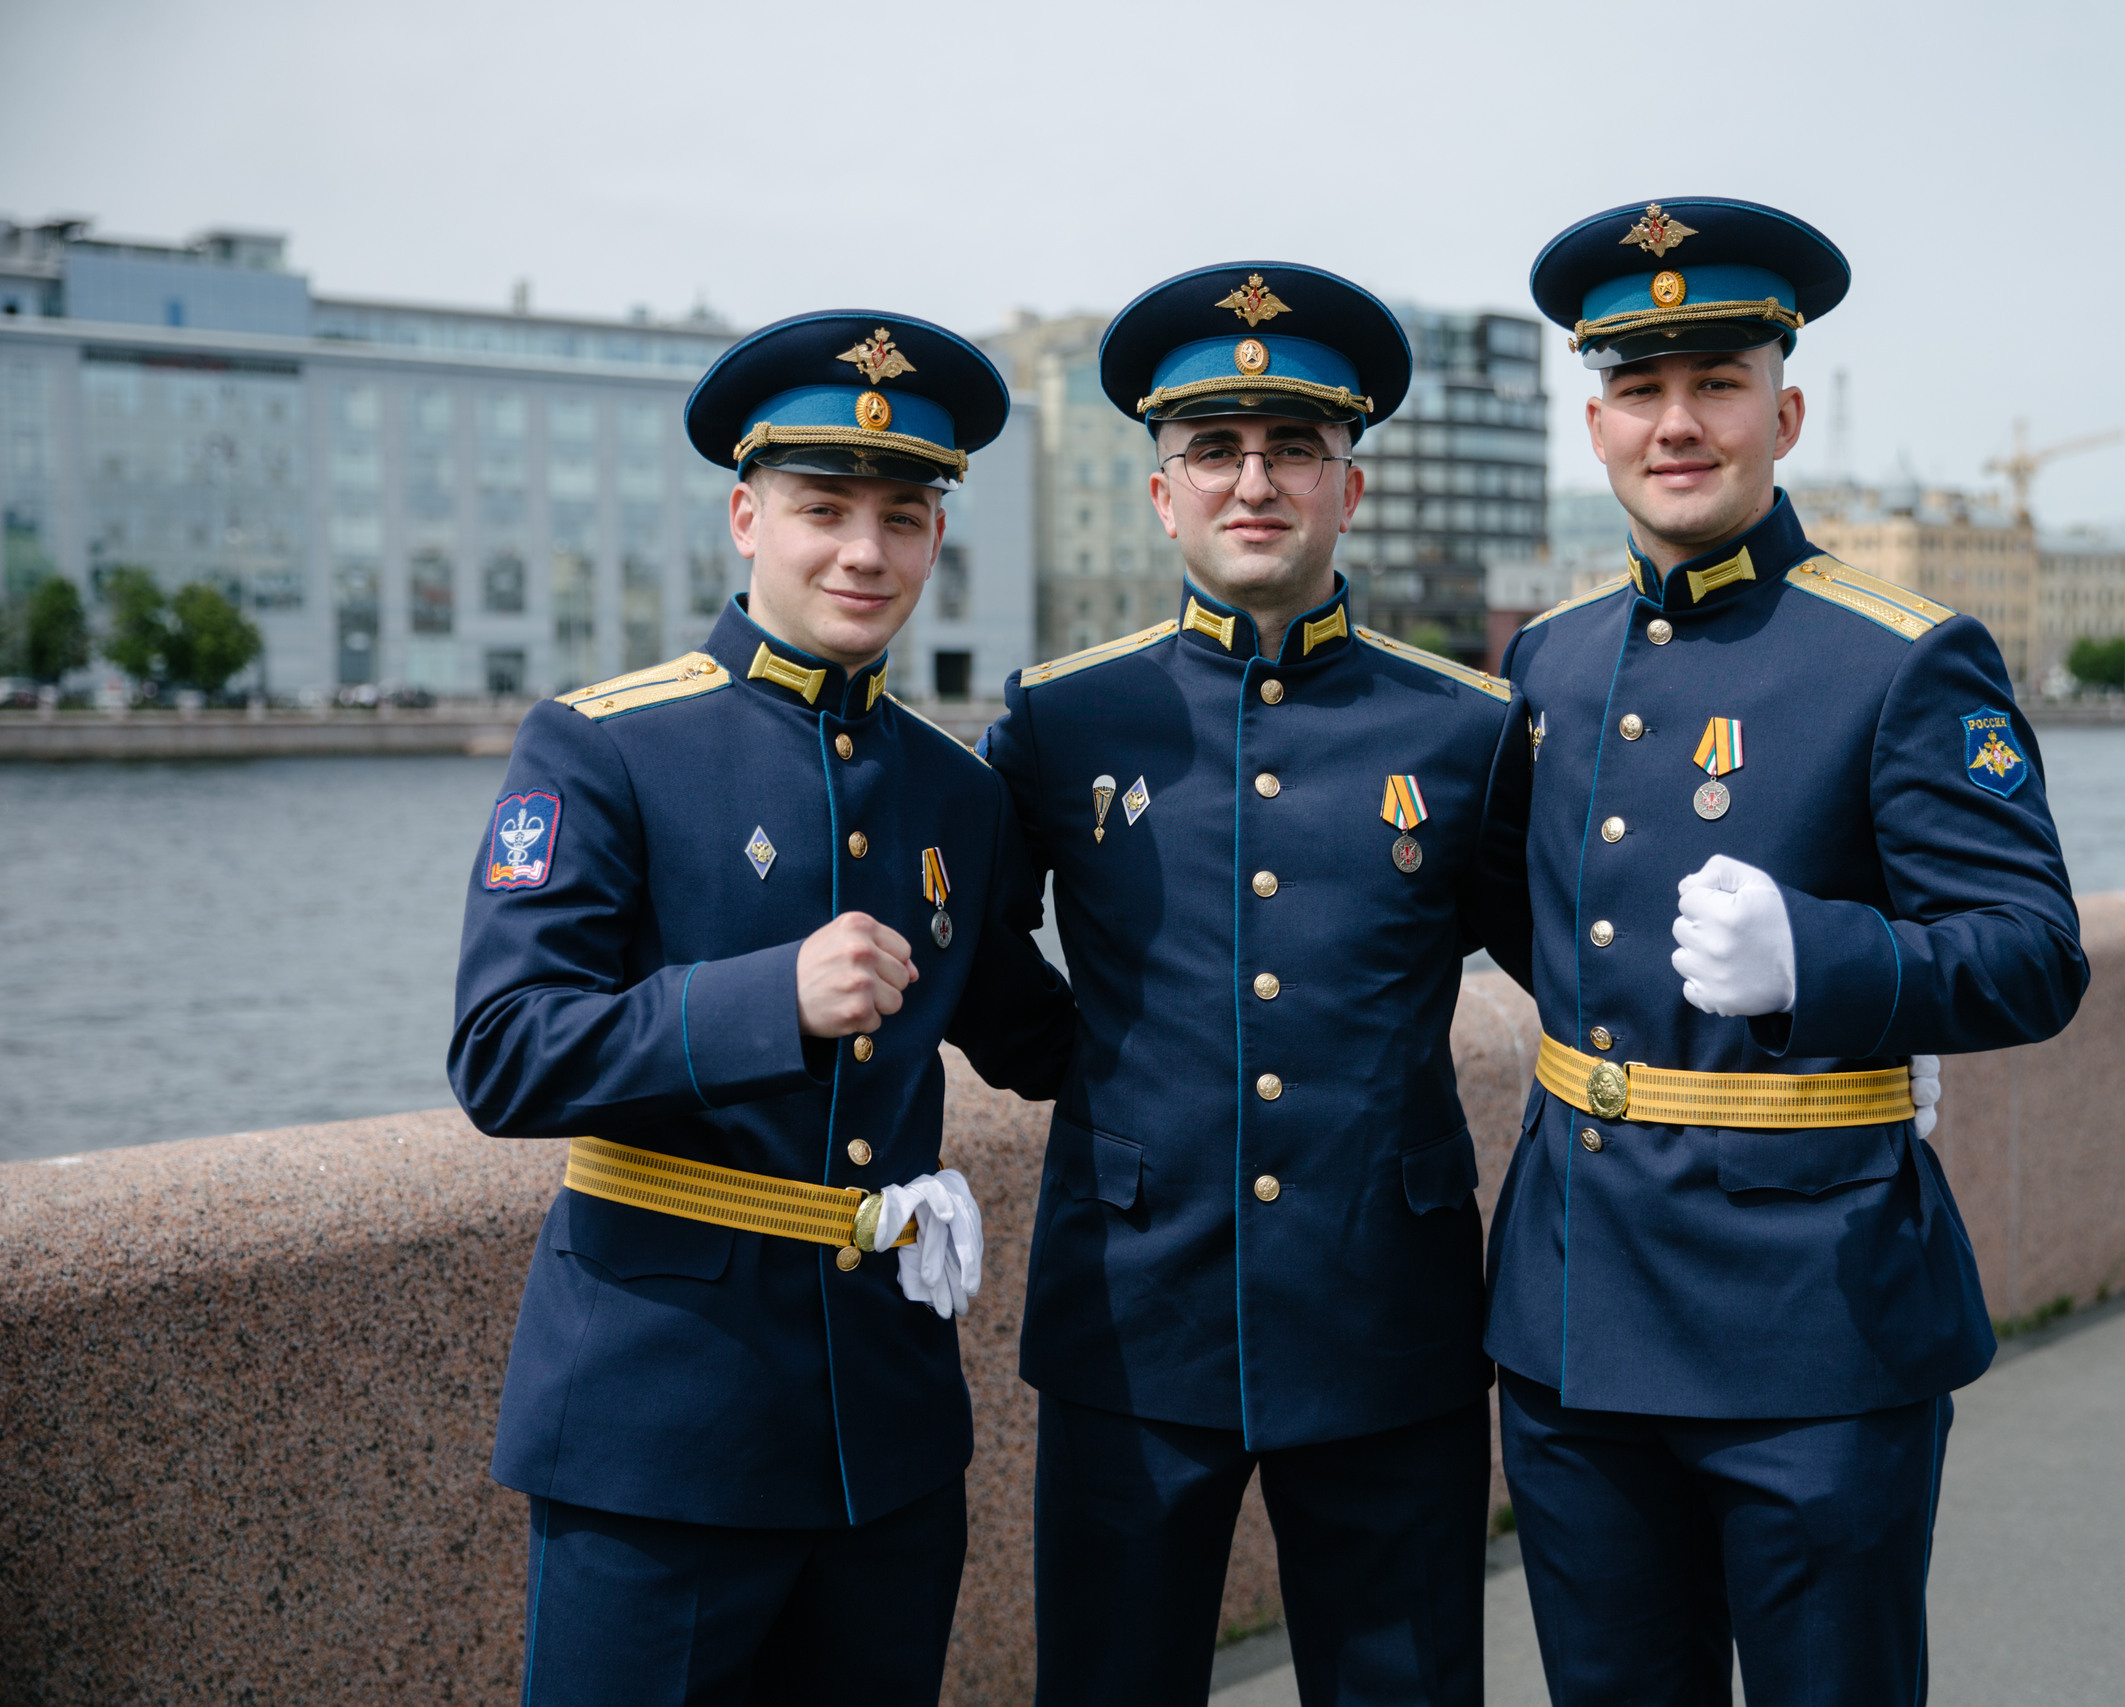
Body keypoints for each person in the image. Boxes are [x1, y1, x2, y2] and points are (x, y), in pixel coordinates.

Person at [1482, 198, 2088, 1706]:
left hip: (1811, 1322)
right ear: (1597, 421)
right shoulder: (1549, 657)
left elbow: (2032, 953)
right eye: (1639, 390)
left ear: (1786, 410)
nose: (1676, 425)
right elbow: (1530, 918)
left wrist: (1830, 969)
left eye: (1716, 384)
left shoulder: (1902, 655)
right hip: (1575, 1314)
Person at [449, 310, 1075, 1705]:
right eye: (823, 508)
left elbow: (1046, 1041)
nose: (865, 550)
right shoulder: (605, 743)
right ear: (746, 515)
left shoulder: (954, 792)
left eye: (904, 515)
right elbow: (501, 1055)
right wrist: (762, 1002)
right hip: (659, 1436)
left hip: (890, 1442)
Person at [979, 262, 1533, 1707]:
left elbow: (1573, 957)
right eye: (1213, 451)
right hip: (1130, 1305)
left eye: (1296, 449)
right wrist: (1097, 1073)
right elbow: (977, 954)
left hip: (1384, 1312)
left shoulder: (1467, 730)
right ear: (1163, 496)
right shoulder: (1061, 716)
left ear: (1352, 487)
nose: (1255, 481)